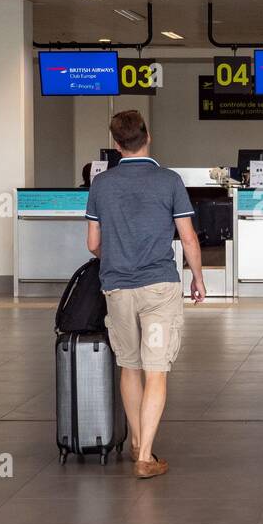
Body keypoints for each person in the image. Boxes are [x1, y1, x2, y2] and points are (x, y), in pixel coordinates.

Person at [86, 110, 206, 479]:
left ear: (116, 144)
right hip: (159, 289)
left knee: (130, 365)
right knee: (156, 369)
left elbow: (93, 244)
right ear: (147, 136)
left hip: (118, 288)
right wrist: (198, 277)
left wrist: (119, 257)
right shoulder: (169, 181)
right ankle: (145, 457)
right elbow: (187, 237)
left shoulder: (101, 185)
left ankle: (137, 441)